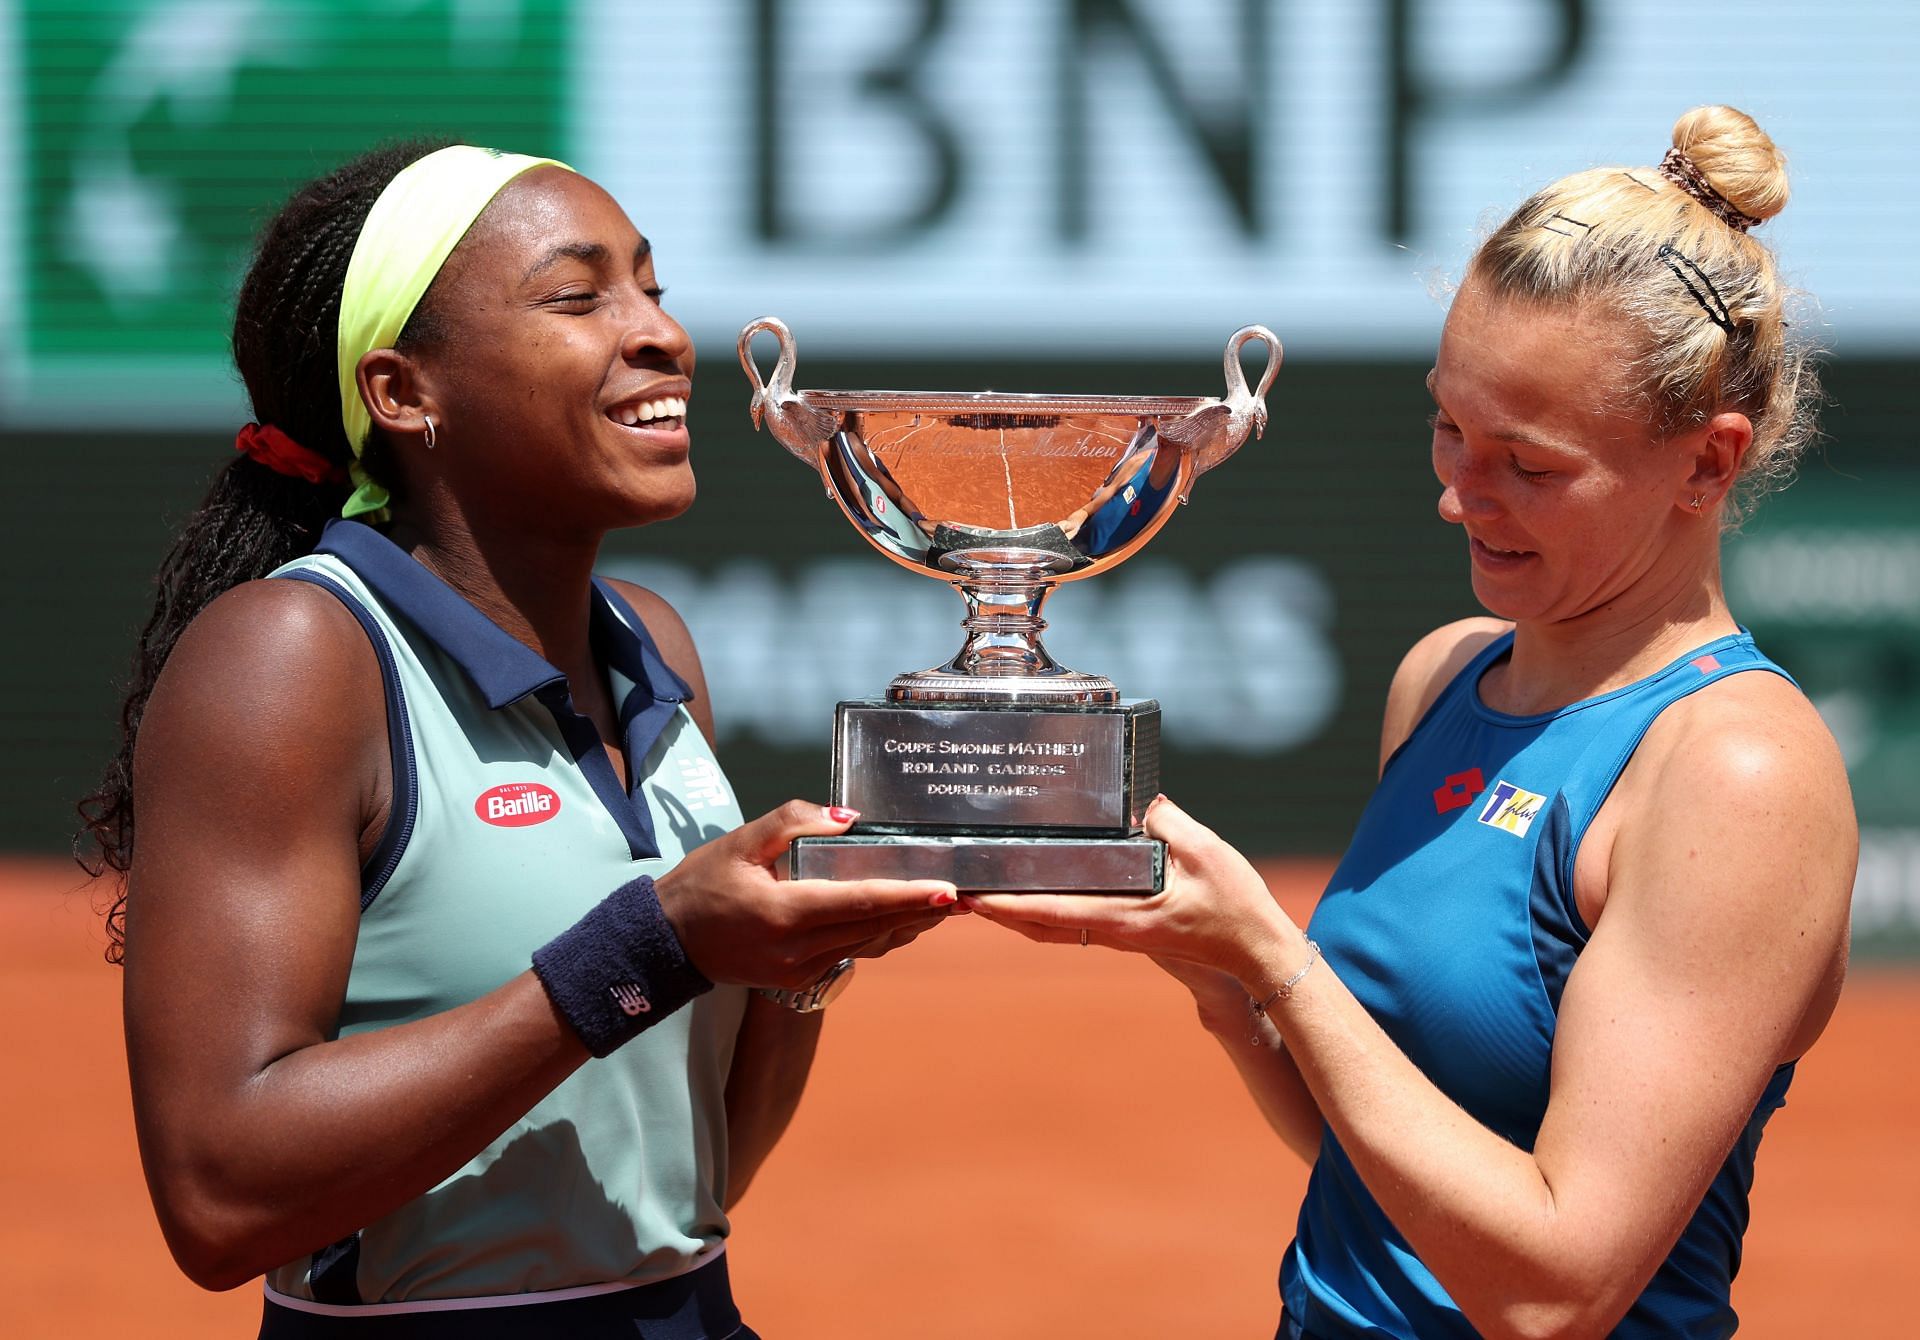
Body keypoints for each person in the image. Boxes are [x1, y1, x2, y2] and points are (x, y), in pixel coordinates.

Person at [969, 106, 1856, 1338]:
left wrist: (1281, 959)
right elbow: (1374, 1156)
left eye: (1527, 463)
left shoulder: (1737, 768)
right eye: (1448, 423)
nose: (1457, 493)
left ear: (1707, 464)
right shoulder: (1441, 676)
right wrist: (1223, 977)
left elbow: (1555, 1286)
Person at [75, 141, 967, 1337]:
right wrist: (648, 945)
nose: (659, 334)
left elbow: (691, 1180)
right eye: (578, 295)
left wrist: (803, 959)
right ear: (403, 393)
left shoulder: (652, 642)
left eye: (651, 286)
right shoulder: (293, 653)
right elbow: (219, 1193)